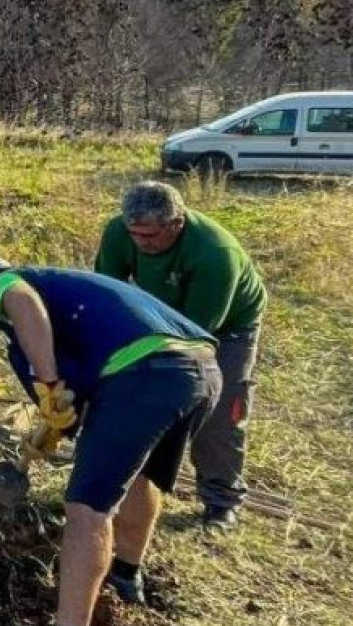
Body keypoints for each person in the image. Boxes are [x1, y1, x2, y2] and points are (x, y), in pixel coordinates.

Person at [0, 260, 221, 626]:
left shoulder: (7, 282)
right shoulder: (77, 296)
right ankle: (125, 575)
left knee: (87, 511)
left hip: (143, 374)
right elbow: (85, 408)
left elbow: (22, 302)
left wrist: (49, 384)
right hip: (199, 371)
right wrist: (56, 426)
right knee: (138, 476)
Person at [94, 181, 266, 531]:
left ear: (177, 223)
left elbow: (196, 333)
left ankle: (221, 500)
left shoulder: (215, 253)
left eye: (152, 236)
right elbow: (106, 295)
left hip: (226, 327)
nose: (142, 243)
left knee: (217, 410)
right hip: (158, 311)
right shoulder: (120, 232)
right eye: (135, 234)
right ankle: (130, 480)